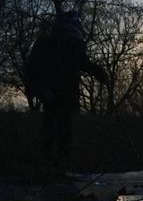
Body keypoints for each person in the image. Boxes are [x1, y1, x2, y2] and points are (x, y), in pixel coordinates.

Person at [23, 10, 111, 165]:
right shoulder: (65, 43)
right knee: (58, 123)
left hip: (56, 89)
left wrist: (100, 74)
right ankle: (55, 159)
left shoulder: (52, 42)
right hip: (57, 89)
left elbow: (82, 62)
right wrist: (100, 74)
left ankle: (55, 159)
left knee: (56, 122)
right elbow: (82, 62)